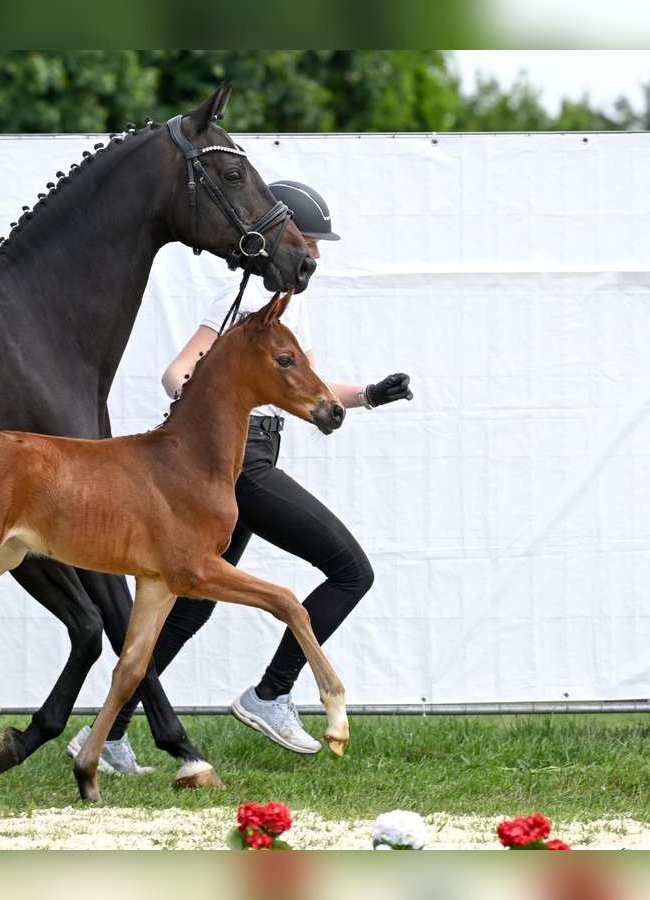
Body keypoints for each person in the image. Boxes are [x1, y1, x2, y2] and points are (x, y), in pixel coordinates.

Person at [68, 180, 413, 775]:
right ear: (283, 239)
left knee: (188, 605)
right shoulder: (247, 296)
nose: (316, 253)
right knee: (351, 570)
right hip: (238, 462)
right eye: (308, 240)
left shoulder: (287, 305)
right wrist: (211, 419)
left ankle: (107, 735)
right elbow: (179, 373)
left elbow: (305, 387)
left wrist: (370, 395)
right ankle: (272, 692)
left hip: (252, 458)